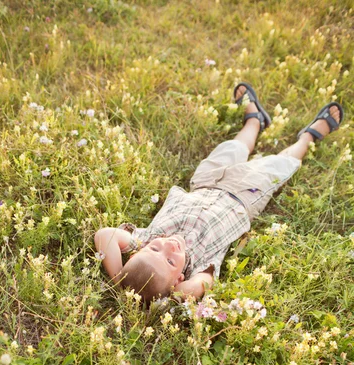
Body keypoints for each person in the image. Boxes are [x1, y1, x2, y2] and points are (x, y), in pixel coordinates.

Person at [94, 82, 343, 304]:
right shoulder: (200, 265)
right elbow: (199, 286)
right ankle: (308, 137)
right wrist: (172, 293)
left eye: (155, 251)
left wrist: (121, 282)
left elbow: (104, 235)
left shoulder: (146, 238)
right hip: (243, 195)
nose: (167, 247)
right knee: (278, 166)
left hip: (205, 181)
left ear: (140, 250)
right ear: (179, 277)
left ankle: (255, 121)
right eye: (170, 261)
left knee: (235, 147)